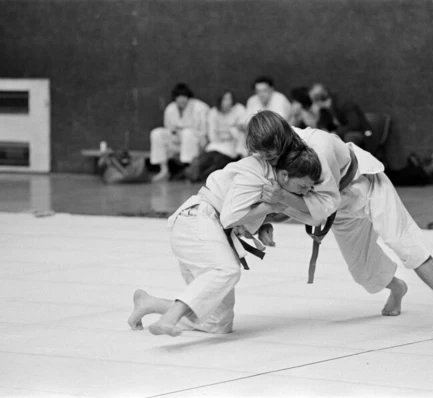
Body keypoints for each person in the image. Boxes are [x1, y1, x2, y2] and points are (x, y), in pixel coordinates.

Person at [246, 110, 433, 339]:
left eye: (270, 157)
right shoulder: (268, 150)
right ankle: (397, 287)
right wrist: (265, 219)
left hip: (364, 184)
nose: (268, 162)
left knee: (404, 242)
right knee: (363, 272)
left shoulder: (318, 147)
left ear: (281, 142)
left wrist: (281, 200)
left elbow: (323, 208)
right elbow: (280, 194)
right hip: (336, 204)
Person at [127, 144, 323, 336]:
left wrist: (263, 223)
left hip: (208, 232)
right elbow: (230, 217)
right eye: (303, 186)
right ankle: (169, 319)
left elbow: (244, 214)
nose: (305, 192)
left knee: (218, 323)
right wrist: (270, 209)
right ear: (285, 175)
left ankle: (150, 303)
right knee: (227, 269)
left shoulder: (275, 189)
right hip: (196, 221)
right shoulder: (257, 175)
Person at [149, 83, 210, 181]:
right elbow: (168, 128)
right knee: (156, 133)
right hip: (177, 143)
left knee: (187, 133)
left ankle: (190, 170)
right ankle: (164, 170)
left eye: (184, 96)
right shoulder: (170, 109)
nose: (182, 99)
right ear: (175, 98)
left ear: (188, 96)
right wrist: (175, 132)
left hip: (196, 144)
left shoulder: (200, 108)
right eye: (179, 97)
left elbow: (204, 132)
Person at [184, 90, 248, 182]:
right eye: (225, 99)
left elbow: (241, 131)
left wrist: (231, 132)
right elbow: (212, 136)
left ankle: (202, 176)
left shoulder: (239, 109)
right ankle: (192, 172)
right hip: (215, 146)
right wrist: (227, 134)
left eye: (229, 99)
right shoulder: (213, 112)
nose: (228, 102)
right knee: (207, 159)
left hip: (233, 149)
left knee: (218, 162)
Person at [309, 83, 373, 149]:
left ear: (317, 101)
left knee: (348, 137)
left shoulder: (344, 104)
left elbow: (354, 125)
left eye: (313, 100)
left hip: (362, 133)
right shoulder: (324, 110)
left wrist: (336, 132)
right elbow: (322, 125)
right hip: (342, 133)